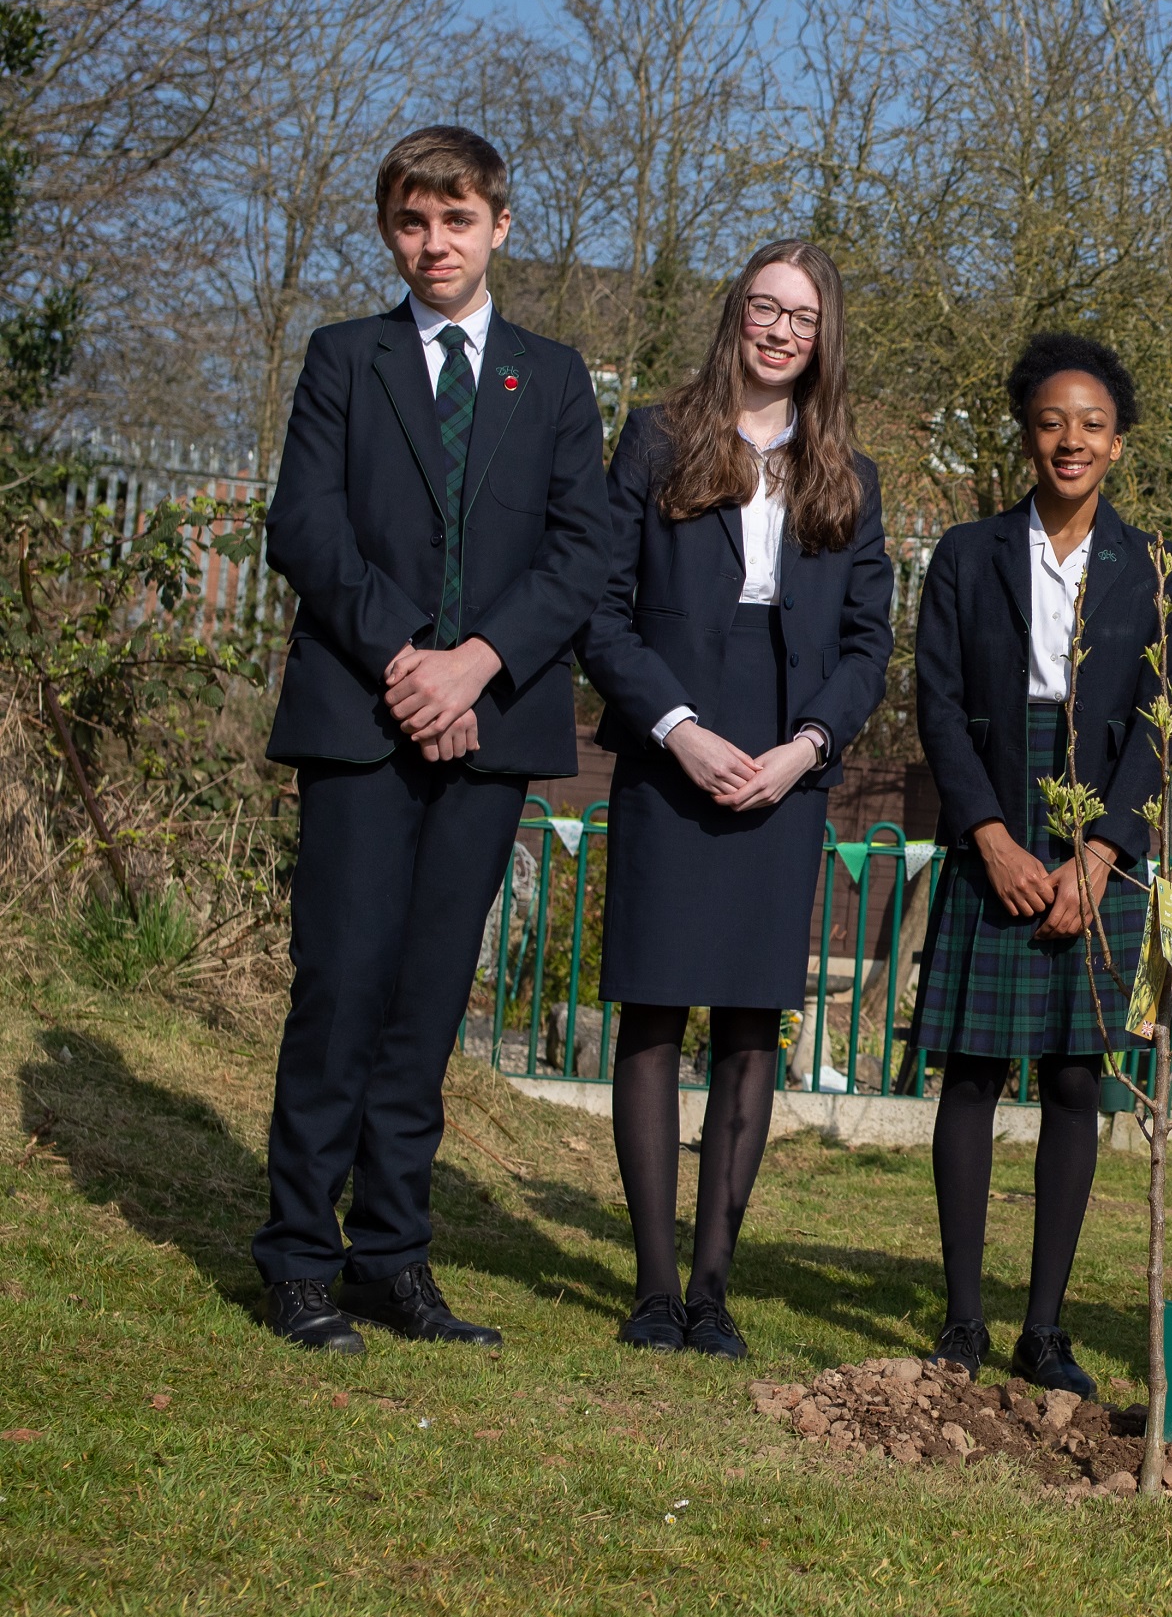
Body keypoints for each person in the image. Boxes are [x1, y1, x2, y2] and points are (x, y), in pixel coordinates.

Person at [255, 125, 610, 1352]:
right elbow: (301, 526)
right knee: (341, 989)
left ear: (500, 226)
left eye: (456, 220)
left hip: (491, 727)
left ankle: (388, 1257)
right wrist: (411, 658)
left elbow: (583, 552)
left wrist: (478, 665)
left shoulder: (555, 378)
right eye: (412, 222)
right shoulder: (343, 360)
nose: (435, 243)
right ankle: (298, 1258)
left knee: (424, 1008)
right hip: (362, 718)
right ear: (387, 231)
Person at [577, 240, 894, 1359]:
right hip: (675, 735)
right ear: (734, 316)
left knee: (753, 1020)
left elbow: (868, 641)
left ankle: (715, 1288)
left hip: (787, 749)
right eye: (762, 307)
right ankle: (654, 1290)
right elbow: (603, 607)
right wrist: (678, 730)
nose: (776, 329)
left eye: (799, 317)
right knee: (656, 1008)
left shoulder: (845, 469)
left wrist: (808, 745)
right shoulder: (659, 438)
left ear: (822, 338)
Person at [908, 333, 1172, 1398]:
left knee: (1075, 1080)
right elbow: (934, 702)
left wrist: (1103, 849)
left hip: (1098, 831)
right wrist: (990, 835)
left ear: (1118, 443)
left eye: (1092, 424)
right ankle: (964, 1321)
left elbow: (1160, 722)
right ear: (1026, 433)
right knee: (970, 1074)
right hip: (995, 816)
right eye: (1051, 421)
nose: (1070, 439)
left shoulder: (1155, 568)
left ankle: (1045, 1328)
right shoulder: (967, 555)